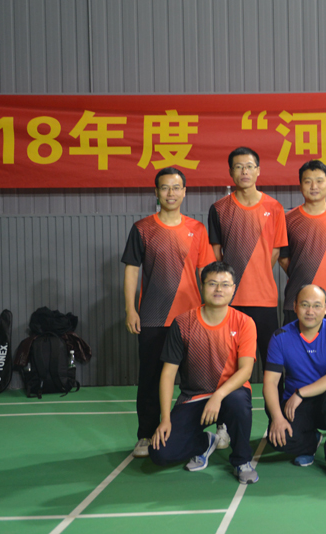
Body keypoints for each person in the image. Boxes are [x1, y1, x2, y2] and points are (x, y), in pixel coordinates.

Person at [122, 167, 215, 458]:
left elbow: (207, 274)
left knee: (196, 380)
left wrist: (210, 314)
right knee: (150, 378)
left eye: (176, 188)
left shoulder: (197, 229)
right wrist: (130, 309)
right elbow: (132, 271)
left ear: (184, 192)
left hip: (190, 319)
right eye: (165, 188)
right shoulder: (142, 229)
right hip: (153, 318)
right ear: (156, 192)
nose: (170, 193)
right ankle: (145, 435)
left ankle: (198, 432)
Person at [149, 262, 259, 484]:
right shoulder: (183, 323)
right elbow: (168, 374)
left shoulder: (244, 323)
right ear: (202, 286)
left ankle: (241, 460)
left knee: (239, 403)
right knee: (160, 453)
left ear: (233, 289)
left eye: (225, 284)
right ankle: (205, 442)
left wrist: (218, 395)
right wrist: (165, 419)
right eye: (212, 283)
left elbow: (246, 371)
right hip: (195, 396)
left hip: (230, 394)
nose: (219, 289)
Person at [208, 147, 287, 447]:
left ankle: (278, 421)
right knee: (226, 367)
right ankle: (223, 426)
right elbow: (216, 255)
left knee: (273, 366)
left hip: (264, 300)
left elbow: (276, 252)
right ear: (231, 172)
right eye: (238, 167)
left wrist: (256, 273)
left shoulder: (274, 208)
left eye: (250, 166)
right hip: (229, 304)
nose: (244, 171)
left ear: (258, 170)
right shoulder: (219, 209)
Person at [264, 284, 326, 479]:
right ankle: (310, 441)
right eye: (305, 305)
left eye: (316, 305)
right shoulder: (280, 337)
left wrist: (300, 393)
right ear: (295, 306)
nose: (310, 311)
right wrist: (277, 418)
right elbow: (270, 382)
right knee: (278, 439)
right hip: (297, 406)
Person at [279, 160, 326, 327]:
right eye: (308, 181)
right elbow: (282, 257)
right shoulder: (288, 219)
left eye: (319, 181)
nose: (314, 186)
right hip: (297, 301)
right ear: (300, 185)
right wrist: (301, 272)